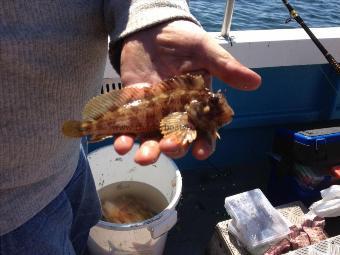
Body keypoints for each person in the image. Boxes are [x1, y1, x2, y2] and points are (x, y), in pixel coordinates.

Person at [0, 0, 261, 254]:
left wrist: (154, 13)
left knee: (86, 222)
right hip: (10, 206)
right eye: (214, 107)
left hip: (69, 159)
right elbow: (175, 125)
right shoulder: (186, 117)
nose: (222, 112)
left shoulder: (190, 106)